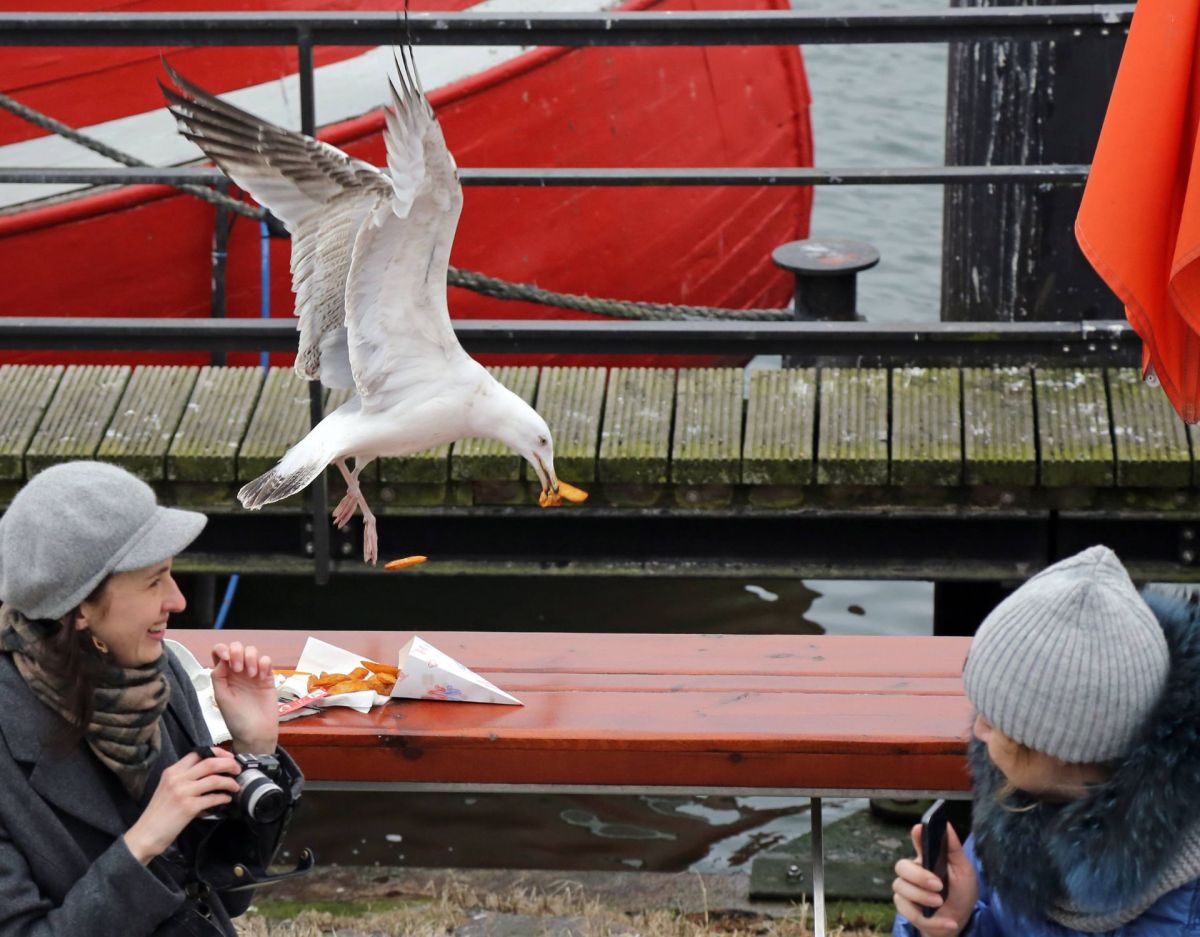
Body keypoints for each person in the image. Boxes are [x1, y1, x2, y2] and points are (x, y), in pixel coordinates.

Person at [0, 461, 301, 936]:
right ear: (80, 609)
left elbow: (226, 895)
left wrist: (254, 753)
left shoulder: (154, 674)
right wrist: (142, 844)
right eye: (154, 580)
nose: (178, 600)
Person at [892, 545, 1200, 936]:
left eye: (1000, 718)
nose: (979, 730)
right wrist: (955, 925)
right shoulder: (1015, 801)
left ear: (1065, 745)